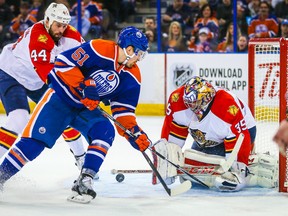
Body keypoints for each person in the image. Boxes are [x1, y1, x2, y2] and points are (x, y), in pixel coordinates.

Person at [0, 26, 151, 202]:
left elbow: (123, 111)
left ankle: (85, 181)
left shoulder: (133, 76)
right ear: (129, 49)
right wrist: (84, 86)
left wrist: (133, 132)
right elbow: (63, 62)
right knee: (34, 143)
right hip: (60, 99)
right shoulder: (99, 48)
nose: (140, 58)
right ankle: (2, 176)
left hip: (86, 109)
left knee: (105, 132)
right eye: (139, 53)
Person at [0, 3, 87, 168]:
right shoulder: (38, 35)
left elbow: (88, 59)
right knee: (18, 119)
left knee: (64, 114)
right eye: (57, 25)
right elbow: (49, 76)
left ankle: (81, 158)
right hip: (11, 74)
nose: (61, 30)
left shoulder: (73, 36)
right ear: (47, 21)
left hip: (36, 80)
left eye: (64, 25)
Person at [153, 76, 257, 191]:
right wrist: (167, 161)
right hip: (207, 137)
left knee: (220, 169)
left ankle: (250, 161)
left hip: (243, 132)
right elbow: (173, 132)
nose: (190, 106)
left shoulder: (227, 106)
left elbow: (241, 136)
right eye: (188, 102)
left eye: (195, 102)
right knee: (193, 166)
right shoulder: (177, 100)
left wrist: (238, 169)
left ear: (206, 98)